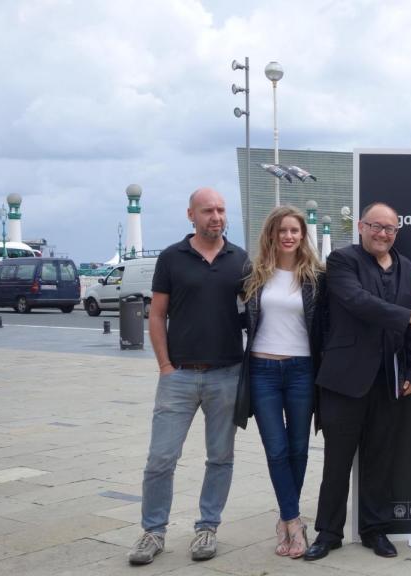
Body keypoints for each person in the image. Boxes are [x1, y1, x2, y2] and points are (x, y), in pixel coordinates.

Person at [303, 202, 411, 561]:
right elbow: (358, 302)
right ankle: (328, 533)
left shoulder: (408, 270)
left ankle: (375, 530)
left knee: (380, 461)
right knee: (337, 462)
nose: (382, 234)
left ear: (397, 233)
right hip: (345, 380)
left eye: (390, 228)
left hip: (389, 381)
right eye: (376, 226)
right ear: (361, 227)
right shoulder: (342, 262)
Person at [128, 188, 249, 565]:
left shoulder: (240, 260)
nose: (216, 216)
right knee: (160, 458)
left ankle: (207, 527)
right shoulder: (171, 258)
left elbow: (253, 314)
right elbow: (156, 314)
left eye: (221, 210)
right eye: (208, 210)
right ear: (191, 215)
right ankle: (153, 532)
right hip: (178, 375)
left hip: (227, 374)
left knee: (220, 457)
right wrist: (164, 366)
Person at [235, 206, 325, 559]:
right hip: (263, 371)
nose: (288, 236)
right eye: (282, 230)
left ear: (303, 235)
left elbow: (326, 326)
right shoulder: (254, 274)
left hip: (302, 370)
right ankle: (293, 520)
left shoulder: (316, 276)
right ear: (271, 235)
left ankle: (288, 520)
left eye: (295, 231)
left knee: (299, 449)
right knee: (276, 450)